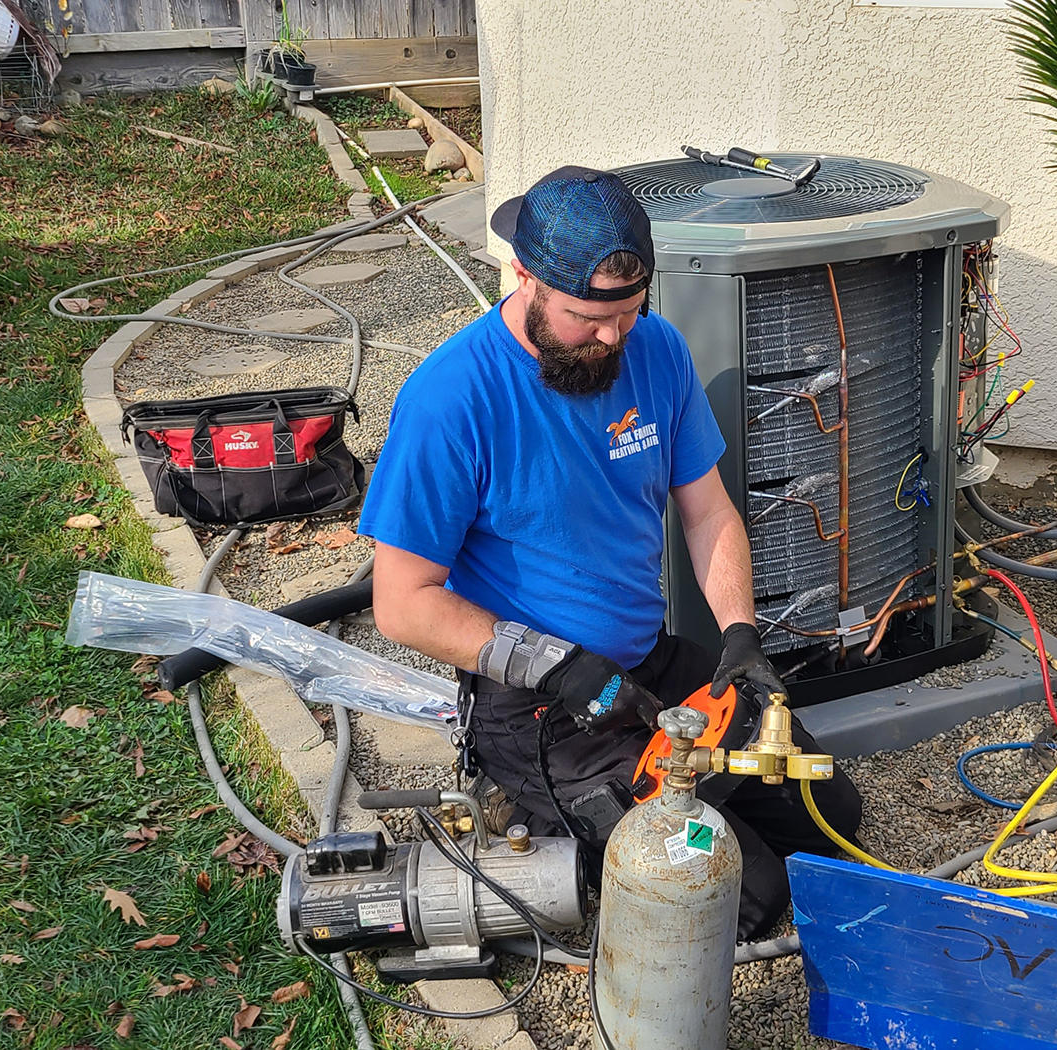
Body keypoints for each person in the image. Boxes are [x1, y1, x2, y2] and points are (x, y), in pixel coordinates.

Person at [358, 165, 862, 939]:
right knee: (745, 898)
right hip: (536, 704)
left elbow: (708, 513)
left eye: (629, 312)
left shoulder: (654, 350)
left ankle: (622, 819)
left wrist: (739, 636)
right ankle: (541, 811)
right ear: (522, 275)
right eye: (586, 319)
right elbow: (402, 602)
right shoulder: (451, 398)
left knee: (832, 813)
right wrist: (556, 666)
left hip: (647, 664)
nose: (612, 338)